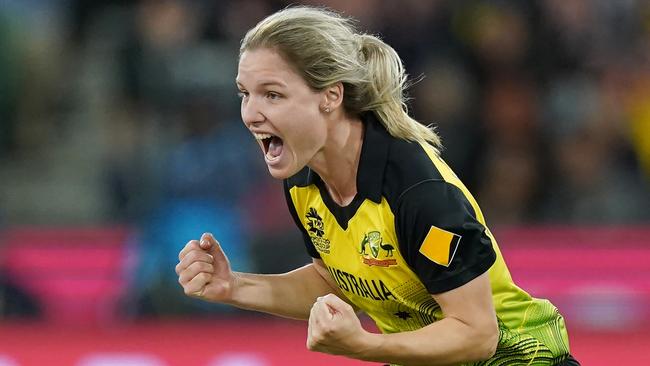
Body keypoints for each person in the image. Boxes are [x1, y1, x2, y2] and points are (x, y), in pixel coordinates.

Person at [176, 6, 579, 365]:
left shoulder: (416, 192)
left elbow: (477, 334)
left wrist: (362, 345)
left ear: (330, 96)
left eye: (273, 95)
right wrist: (234, 286)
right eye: (246, 94)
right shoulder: (304, 173)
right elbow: (339, 278)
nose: (251, 114)